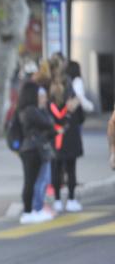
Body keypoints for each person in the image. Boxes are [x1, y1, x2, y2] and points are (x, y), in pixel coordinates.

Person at [15, 81, 56, 224]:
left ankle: (31, 210)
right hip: (33, 150)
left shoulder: (26, 110)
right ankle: (29, 211)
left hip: (30, 149)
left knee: (33, 181)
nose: (42, 98)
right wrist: (44, 110)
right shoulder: (31, 110)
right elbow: (48, 123)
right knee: (32, 181)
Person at [49, 78, 85, 212]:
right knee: (71, 170)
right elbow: (82, 118)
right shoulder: (73, 102)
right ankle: (71, 199)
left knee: (56, 170)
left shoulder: (50, 102)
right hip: (71, 139)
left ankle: (57, 200)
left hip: (55, 139)